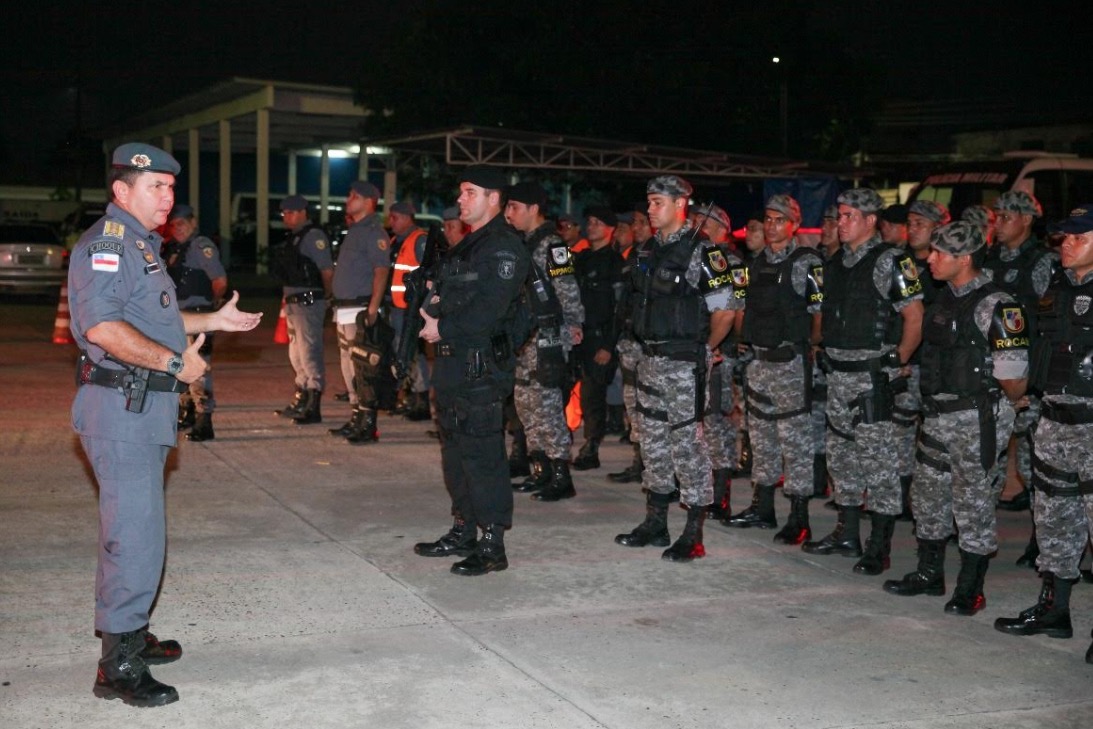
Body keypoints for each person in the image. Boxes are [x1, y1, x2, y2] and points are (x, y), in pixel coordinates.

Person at [70, 143, 261, 707]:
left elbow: (153, 317)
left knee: (138, 533)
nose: (168, 197)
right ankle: (118, 664)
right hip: (120, 409)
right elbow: (103, 328)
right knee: (134, 537)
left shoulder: (142, 248)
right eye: (156, 187)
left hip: (140, 410)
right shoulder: (107, 247)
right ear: (121, 191)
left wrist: (213, 319)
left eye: (171, 188)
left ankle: (130, 633)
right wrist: (178, 363)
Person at [883, 221, 1028, 616]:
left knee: (973, 502)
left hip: (975, 418)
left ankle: (970, 588)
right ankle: (929, 574)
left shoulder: (998, 304)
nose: (929, 259)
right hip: (937, 417)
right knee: (928, 497)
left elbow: (1014, 375)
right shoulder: (943, 299)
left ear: (964, 259)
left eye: (939, 253)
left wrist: (1006, 406)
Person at [614, 175, 739, 562]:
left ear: (680, 203)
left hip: (684, 362)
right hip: (649, 358)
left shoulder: (705, 253)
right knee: (652, 444)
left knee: (687, 445)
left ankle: (693, 531)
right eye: (649, 202)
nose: (649, 210)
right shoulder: (648, 249)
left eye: (656, 202)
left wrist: (704, 349)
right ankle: (656, 521)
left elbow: (726, 311)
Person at [413, 165, 530, 575]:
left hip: (479, 368)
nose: (461, 199)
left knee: (482, 455)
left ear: (493, 198)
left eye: (469, 191)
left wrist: (441, 325)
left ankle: (492, 543)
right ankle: (463, 529)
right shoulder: (468, 246)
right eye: (461, 191)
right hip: (452, 364)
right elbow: (450, 295)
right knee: (455, 453)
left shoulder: (502, 248)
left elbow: (487, 312)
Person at [803, 188, 924, 576]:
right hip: (838, 374)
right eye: (839, 215)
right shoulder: (835, 262)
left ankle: (880, 546)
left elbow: (915, 317)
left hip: (871, 376)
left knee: (879, 462)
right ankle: (847, 533)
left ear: (871, 221)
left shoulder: (891, 260)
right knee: (842, 459)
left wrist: (896, 361)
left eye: (849, 215)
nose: (840, 223)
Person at [994, 204, 1093, 664]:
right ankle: (1055, 610)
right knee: (1054, 523)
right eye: (1064, 237)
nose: (1066, 244)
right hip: (1053, 420)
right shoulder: (1053, 289)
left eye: (1078, 237)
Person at [725, 194, 823, 545]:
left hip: (790, 362)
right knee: (761, 439)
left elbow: (818, 312)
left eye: (779, 219)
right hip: (759, 362)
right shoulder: (753, 264)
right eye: (768, 219)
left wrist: (811, 347)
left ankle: (800, 517)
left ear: (794, 224)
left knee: (795, 443)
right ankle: (762, 506)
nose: (771, 225)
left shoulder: (808, 262)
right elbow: (739, 307)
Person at [986, 191, 1057, 568]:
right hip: (989, 376)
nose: (997, 223)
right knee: (986, 458)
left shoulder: (1043, 262)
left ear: (1027, 219)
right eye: (995, 216)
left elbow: (1051, 322)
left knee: (1035, 463)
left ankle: (1041, 539)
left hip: (1026, 377)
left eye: (1006, 217)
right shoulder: (989, 259)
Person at [503, 182, 584, 500]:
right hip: (525, 336)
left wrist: (573, 325)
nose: (509, 213)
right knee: (526, 404)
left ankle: (562, 475)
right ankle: (540, 469)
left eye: (514, 207)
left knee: (548, 406)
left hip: (548, 335)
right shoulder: (522, 243)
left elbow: (567, 289)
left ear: (533, 209)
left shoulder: (553, 246)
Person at [892, 200, 951, 518]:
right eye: (910, 223)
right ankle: (902, 499)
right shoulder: (899, 262)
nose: (913, 229)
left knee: (934, 441)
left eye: (921, 224)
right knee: (899, 433)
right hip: (905, 364)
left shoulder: (946, 269)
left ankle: (932, 506)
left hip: (933, 367)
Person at [327, 181, 391, 443]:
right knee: (348, 364)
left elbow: (381, 270)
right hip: (345, 309)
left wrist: (373, 307)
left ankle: (368, 422)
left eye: (354, 196)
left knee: (363, 366)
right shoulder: (355, 230)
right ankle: (357, 416)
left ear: (368, 202)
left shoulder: (373, 232)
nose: (348, 198)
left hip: (360, 308)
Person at [163, 204, 227, 442]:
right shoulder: (175, 249)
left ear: (193, 223)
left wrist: (211, 308)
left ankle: (204, 419)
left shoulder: (202, 246)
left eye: (181, 223)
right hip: (177, 318)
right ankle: (187, 411)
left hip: (198, 316)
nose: (177, 228)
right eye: (173, 224)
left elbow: (219, 280)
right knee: (180, 366)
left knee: (200, 370)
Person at [271, 194, 333, 424]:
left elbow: (326, 271)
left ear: (303, 212)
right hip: (294, 302)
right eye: (284, 213)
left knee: (309, 352)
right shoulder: (295, 237)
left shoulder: (313, 236)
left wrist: (326, 297)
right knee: (296, 353)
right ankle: (302, 396)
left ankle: (313, 404)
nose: (286, 217)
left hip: (308, 301)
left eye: (291, 212)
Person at [697, 203, 742, 519]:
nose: (695, 224)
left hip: (720, 356)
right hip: (700, 352)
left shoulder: (731, 263)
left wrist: (717, 346)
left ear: (717, 227)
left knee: (718, 424)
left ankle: (721, 497)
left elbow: (736, 313)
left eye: (701, 221)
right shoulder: (696, 258)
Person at [572, 205, 624, 472]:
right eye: (589, 221)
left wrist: (608, 346)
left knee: (593, 395)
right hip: (575, 336)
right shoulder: (580, 259)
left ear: (610, 229)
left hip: (599, 338)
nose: (591, 226)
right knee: (569, 392)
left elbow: (619, 310)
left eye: (597, 222)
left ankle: (591, 445)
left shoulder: (615, 264)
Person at [608, 204, 656, 483]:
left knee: (648, 408)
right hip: (629, 340)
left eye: (640, 222)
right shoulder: (636, 256)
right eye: (634, 223)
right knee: (633, 406)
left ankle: (652, 464)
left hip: (646, 343)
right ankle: (640, 461)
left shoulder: (657, 254)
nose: (635, 228)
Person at [387, 200, 432, 420]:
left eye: (394, 217)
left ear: (406, 218)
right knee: (400, 352)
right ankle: (407, 396)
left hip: (412, 310)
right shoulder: (396, 241)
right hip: (396, 308)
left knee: (413, 353)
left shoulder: (419, 239)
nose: (390, 222)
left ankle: (421, 400)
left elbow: (428, 275)